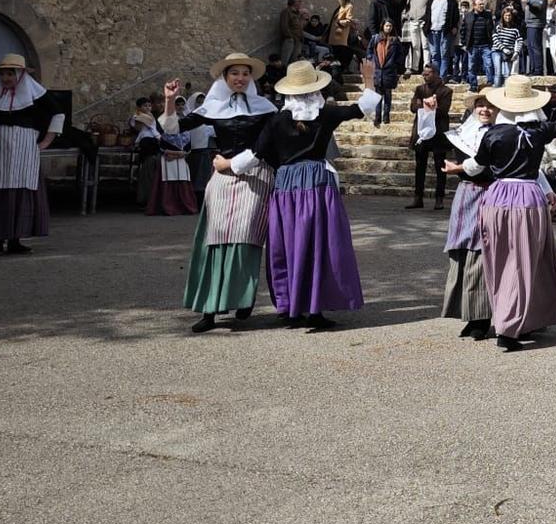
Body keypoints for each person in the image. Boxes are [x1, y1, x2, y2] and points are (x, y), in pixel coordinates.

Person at [225, 57, 380, 331]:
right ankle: (314, 307)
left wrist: (227, 165)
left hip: (287, 185)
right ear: (315, 89)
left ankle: (293, 307)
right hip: (317, 183)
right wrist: (368, 79)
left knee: (289, 244)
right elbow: (362, 108)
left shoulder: (277, 120)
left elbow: (255, 155)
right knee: (318, 243)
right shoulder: (326, 114)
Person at [447, 74, 556, 348]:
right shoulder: (539, 131)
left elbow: (475, 166)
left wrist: (457, 168)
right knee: (524, 261)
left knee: (499, 261)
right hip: (526, 197)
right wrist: (546, 123)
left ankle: (507, 318)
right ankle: (510, 327)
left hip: (496, 198)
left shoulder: (494, 134)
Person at [164, 58, 276, 333]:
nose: (240, 78)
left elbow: (271, 142)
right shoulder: (212, 107)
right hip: (222, 180)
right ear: (225, 77)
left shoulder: (265, 108)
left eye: (245, 73)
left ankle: (242, 298)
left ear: (251, 78)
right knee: (215, 240)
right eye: (234, 73)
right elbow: (173, 129)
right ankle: (210, 311)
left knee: (247, 237)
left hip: (255, 176)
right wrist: (169, 101)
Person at [0, 54, 62, 255]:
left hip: (24, 149)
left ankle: (15, 240)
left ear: (20, 75)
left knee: (20, 192)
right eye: (2, 74)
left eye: (10, 74)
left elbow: (58, 113)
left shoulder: (37, 94)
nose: (5, 78)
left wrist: (47, 141)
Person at [437, 99, 498, 340]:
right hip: (466, 195)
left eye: (490, 106)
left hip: (491, 193)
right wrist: (430, 115)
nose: (485, 110)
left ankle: (482, 318)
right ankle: (468, 314)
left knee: (482, 254)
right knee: (461, 252)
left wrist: (460, 168)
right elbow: (433, 142)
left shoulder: (501, 133)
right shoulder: (464, 131)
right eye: (480, 105)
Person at [407, 65, 454, 211]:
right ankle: (417, 197)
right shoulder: (420, 89)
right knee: (419, 166)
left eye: (427, 74)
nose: (424, 76)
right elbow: (413, 107)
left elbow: (443, 110)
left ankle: (439, 198)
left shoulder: (446, 90)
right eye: (423, 73)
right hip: (421, 131)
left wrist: (425, 105)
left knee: (440, 166)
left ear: (435, 74)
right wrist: (428, 105)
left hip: (438, 132)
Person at [138, 104, 197, 217]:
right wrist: (175, 154)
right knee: (167, 183)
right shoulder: (164, 129)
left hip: (181, 161)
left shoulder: (185, 131)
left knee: (183, 182)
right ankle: (168, 206)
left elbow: (188, 147)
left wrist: (181, 154)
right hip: (167, 160)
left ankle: (183, 206)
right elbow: (162, 146)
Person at [368, 22, 404, 124]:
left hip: (389, 71)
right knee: (378, 95)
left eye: (390, 26)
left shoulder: (395, 40)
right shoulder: (376, 38)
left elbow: (400, 54)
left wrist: (395, 63)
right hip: (378, 70)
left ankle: (386, 116)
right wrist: (371, 60)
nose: (388, 27)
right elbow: (369, 50)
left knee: (388, 95)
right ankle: (377, 117)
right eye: (387, 25)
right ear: (382, 26)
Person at [403, 0, 431, 73]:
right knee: (415, 46)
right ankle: (414, 67)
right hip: (413, 22)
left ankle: (426, 66)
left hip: (423, 23)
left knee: (425, 45)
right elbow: (406, 7)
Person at [521, 0, 551, 76]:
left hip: (536, 24)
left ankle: (538, 70)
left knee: (535, 47)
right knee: (530, 47)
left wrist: (528, 1)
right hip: (530, 24)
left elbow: (538, 6)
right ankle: (533, 69)